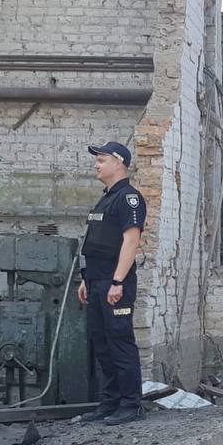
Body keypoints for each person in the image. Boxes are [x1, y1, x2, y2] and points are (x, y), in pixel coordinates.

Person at [77, 141, 147, 424]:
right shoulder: (106, 198)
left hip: (114, 283)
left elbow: (131, 242)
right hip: (96, 281)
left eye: (102, 159)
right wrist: (86, 280)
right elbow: (97, 244)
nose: (97, 164)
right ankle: (110, 403)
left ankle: (131, 405)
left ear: (119, 162)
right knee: (102, 344)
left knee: (120, 342)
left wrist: (117, 281)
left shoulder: (128, 198)